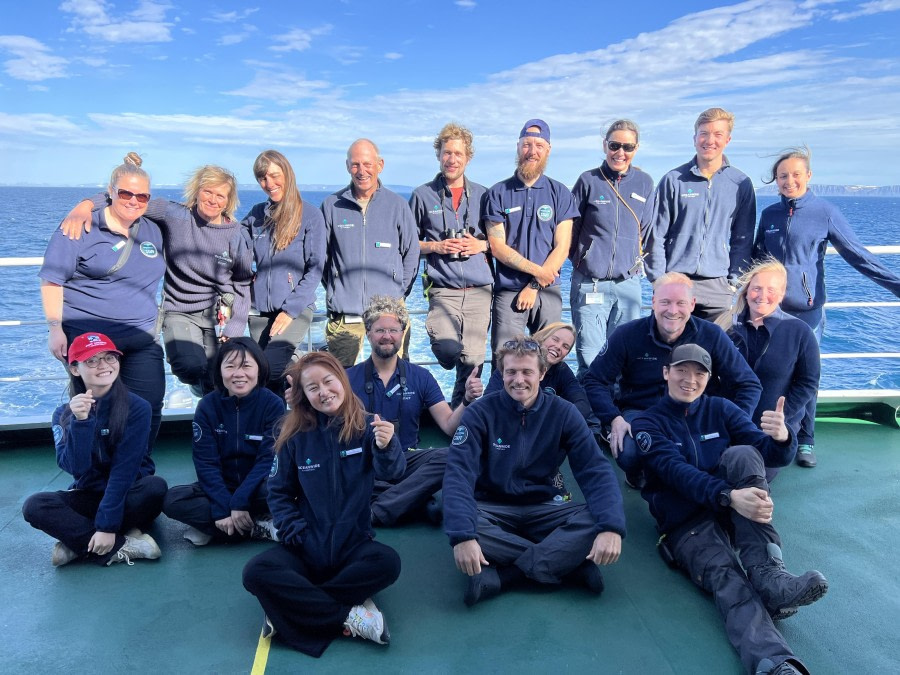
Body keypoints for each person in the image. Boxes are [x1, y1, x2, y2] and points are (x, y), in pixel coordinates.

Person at [630, 344, 827, 675]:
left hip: (730, 511)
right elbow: (676, 472)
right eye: (681, 370)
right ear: (666, 372)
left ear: (709, 379)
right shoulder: (648, 423)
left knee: (744, 454)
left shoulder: (721, 409)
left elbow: (766, 452)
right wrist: (729, 496)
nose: (689, 380)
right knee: (730, 581)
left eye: (699, 373)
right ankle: (775, 663)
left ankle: (769, 574)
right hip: (686, 523)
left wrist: (782, 438)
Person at [242, 352, 406, 657]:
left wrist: (387, 446)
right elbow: (277, 492)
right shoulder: (293, 435)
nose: (323, 391)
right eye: (312, 387)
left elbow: (393, 473)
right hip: (306, 546)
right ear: (303, 395)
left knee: (388, 563)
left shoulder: (368, 426)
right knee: (255, 572)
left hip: (353, 545)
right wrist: (294, 530)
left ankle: (289, 611)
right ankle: (348, 615)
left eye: (328, 381)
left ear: (342, 381)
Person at [443, 336, 625, 606]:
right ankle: (568, 564)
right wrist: (463, 536)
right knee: (466, 526)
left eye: (527, 372)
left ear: (542, 373)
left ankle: (507, 576)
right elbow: (458, 474)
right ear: (501, 374)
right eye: (511, 372)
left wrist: (611, 528)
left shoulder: (564, 413)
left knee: (595, 519)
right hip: (493, 508)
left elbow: (595, 470)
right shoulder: (480, 412)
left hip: (547, 505)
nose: (519, 380)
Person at [754, 146, 900, 467]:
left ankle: (805, 440)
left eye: (795, 174)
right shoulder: (770, 216)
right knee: (773, 374)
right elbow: (755, 259)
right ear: (775, 181)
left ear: (808, 176)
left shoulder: (825, 212)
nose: (789, 180)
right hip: (771, 313)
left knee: (806, 376)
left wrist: (895, 286)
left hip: (807, 312)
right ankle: (772, 434)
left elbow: (857, 255)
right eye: (782, 176)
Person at [60, 164, 253, 395]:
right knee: (191, 366)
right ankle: (199, 385)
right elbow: (130, 199)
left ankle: (212, 418)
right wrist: (86, 205)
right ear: (197, 191)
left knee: (221, 376)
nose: (213, 199)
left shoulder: (236, 234)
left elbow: (242, 282)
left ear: (228, 201)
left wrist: (236, 324)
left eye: (220, 195)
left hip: (219, 313)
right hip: (179, 309)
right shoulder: (175, 215)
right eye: (207, 192)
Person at [583, 272, 761, 487]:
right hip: (642, 411)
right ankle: (643, 474)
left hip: (697, 412)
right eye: (665, 302)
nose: (672, 310)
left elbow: (748, 384)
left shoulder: (712, 335)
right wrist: (613, 419)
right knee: (628, 452)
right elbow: (594, 380)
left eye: (680, 303)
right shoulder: (627, 335)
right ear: (653, 302)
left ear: (693, 304)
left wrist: (735, 422)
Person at [40, 153, 166, 448]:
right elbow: (51, 280)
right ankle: (93, 474)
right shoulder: (80, 226)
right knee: (95, 409)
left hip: (141, 337)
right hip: (90, 341)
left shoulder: (152, 229)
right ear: (110, 192)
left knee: (149, 405)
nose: (134, 201)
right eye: (125, 193)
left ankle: (137, 470)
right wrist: (54, 327)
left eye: (142, 196)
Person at [22, 332, 167, 567]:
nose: (104, 365)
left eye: (110, 357)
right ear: (75, 369)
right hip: (89, 494)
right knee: (34, 505)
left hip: (129, 492)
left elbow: (124, 471)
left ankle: (79, 543)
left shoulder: (137, 408)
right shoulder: (63, 414)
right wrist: (81, 422)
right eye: (92, 360)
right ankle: (127, 545)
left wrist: (106, 526)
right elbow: (75, 468)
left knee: (155, 487)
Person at [346, 296, 483, 526]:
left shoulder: (421, 377)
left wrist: (467, 399)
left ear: (402, 333)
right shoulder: (348, 378)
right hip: (365, 459)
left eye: (393, 330)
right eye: (380, 330)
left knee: (454, 455)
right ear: (368, 333)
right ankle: (410, 499)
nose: (387, 336)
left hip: (407, 457)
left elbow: (450, 426)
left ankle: (378, 508)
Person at [163, 337, 285, 545]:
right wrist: (221, 507)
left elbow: (267, 460)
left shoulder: (273, 404)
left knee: (290, 491)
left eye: (246, 366)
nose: (238, 374)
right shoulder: (207, 406)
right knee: (172, 501)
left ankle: (216, 528)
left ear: (259, 368)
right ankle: (255, 526)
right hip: (222, 485)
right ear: (220, 370)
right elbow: (206, 462)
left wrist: (239, 502)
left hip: (258, 486)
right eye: (230, 366)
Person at [645, 107, 756, 320]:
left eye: (718, 134)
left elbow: (743, 238)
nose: (709, 140)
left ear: (728, 139)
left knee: (716, 350)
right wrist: (659, 280)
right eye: (704, 133)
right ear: (695, 137)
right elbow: (656, 234)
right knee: (671, 350)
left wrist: (735, 282)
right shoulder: (674, 180)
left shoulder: (740, 184)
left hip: (718, 286)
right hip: (676, 281)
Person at [410, 123, 492, 407]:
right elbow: (408, 244)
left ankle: (460, 422)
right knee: (448, 351)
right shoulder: (422, 195)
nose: (452, 159)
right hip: (443, 289)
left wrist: (480, 245)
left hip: (480, 290)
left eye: (458, 153)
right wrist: (437, 246)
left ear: (467, 157)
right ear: (439, 155)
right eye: (447, 153)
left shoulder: (484, 195)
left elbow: (500, 242)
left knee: (472, 367)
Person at [320, 139, 420, 366]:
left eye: (367, 164)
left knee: (395, 377)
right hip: (345, 315)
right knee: (343, 383)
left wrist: (397, 292)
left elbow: (411, 254)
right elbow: (322, 258)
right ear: (347, 166)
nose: (361, 171)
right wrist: (338, 289)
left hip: (389, 313)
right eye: (355, 164)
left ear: (380, 165)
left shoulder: (397, 205)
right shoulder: (331, 206)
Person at [484, 119, 578, 355]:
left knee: (548, 359)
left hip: (548, 291)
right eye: (527, 145)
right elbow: (497, 247)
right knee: (505, 359)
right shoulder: (497, 193)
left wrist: (535, 285)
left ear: (548, 149)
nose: (532, 152)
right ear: (518, 146)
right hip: (509, 292)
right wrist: (538, 273)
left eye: (538, 145)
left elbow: (563, 246)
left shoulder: (561, 193)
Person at [569, 119, 655, 375]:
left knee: (625, 354)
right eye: (615, 145)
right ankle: (590, 415)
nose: (620, 152)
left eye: (627, 147)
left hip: (628, 284)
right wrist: (583, 259)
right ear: (605, 145)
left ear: (636, 149)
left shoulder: (645, 183)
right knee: (589, 355)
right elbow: (570, 228)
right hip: (590, 281)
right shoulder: (588, 181)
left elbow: (648, 231)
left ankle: (618, 411)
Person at [717, 260, 820, 471]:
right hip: (728, 422)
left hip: (772, 428)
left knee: (746, 469)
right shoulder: (725, 328)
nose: (762, 296)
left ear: (782, 295)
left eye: (771, 290)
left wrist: (782, 417)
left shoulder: (799, 332)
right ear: (746, 292)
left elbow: (808, 382)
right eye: (756, 289)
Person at [242, 150, 326, 393]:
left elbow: (315, 268)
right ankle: (278, 427)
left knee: (267, 368)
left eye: (275, 176)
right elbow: (236, 248)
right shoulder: (256, 215)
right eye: (262, 178)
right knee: (270, 379)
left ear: (288, 174)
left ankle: (301, 377)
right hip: (259, 310)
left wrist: (290, 311)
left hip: (296, 309)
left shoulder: (310, 215)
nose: (269, 184)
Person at [484, 322, 595, 426]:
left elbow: (582, 404)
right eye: (555, 340)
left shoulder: (561, 370)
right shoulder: (514, 360)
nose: (558, 347)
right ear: (542, 338)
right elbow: (489, 400)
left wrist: (554, 420)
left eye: (565, 346)